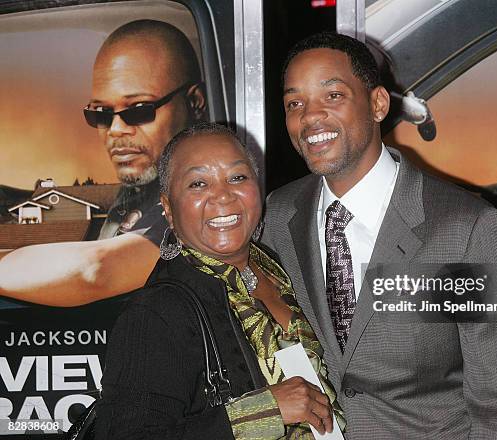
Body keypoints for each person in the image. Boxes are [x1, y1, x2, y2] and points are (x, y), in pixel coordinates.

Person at [260, 32, 497, 439]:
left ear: (377, 104)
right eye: (294, 103)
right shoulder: (278, 216)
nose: (310, 117)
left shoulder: (467, 230)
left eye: (332, 96)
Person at [96, 123, 345, 439]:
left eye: (238, 177)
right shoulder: (157, 313)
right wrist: (265, 411)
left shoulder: (284, 272)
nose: (223, 195)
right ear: (168, 208)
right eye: (198, 183)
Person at [0, 20, 205, 305]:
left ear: (195, 102)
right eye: (101, 114)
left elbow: (96, 272)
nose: (115, 129)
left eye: (138, 110)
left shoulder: (204, 192)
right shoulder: (142, 192)